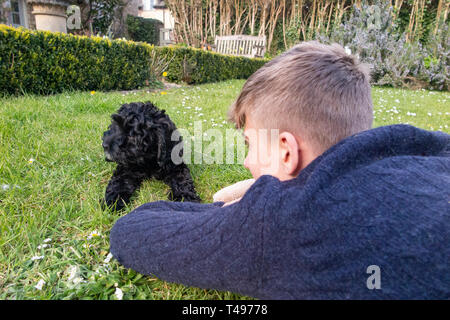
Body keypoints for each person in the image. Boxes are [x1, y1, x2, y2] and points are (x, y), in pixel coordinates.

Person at [109, 41, 449, 299]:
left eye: (249, 145)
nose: (245, 161)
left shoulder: (289, 221)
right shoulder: (420, 147)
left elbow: (130, 231)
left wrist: (245, 207)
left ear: (287, 151)